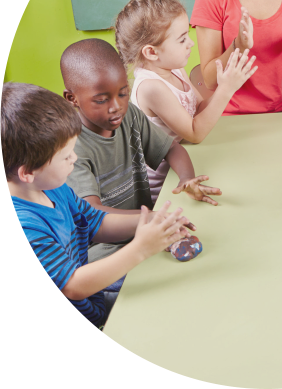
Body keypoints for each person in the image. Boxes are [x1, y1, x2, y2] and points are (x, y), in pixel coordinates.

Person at [4, 82, 193, 328]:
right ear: (27, 173)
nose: (75, 158)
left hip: (94, 302)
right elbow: (73, 285)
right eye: (66, 156)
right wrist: (141, 248)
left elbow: (94, 221)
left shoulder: (52, 187)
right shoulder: (28, 226)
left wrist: (151, 221)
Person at [60, 38, 220, 262]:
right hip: (104, 249)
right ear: (72, 99)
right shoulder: (71, 150)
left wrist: (186, 179)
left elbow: (172, 149)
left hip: (144, 228)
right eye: (101, 100)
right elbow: (93, 214)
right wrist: (152, 219)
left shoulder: (130, 116)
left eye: (123, 93)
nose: (116, 106)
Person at [114, 0, 257, 203]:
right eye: (182, 39)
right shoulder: (151, 87)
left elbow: (199, 109)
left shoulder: (175, 69)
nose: (190, 43)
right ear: (152, 52)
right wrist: (226, 89)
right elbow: (194, 133)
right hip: (163, 189)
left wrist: (227, 84)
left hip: (183, 167)